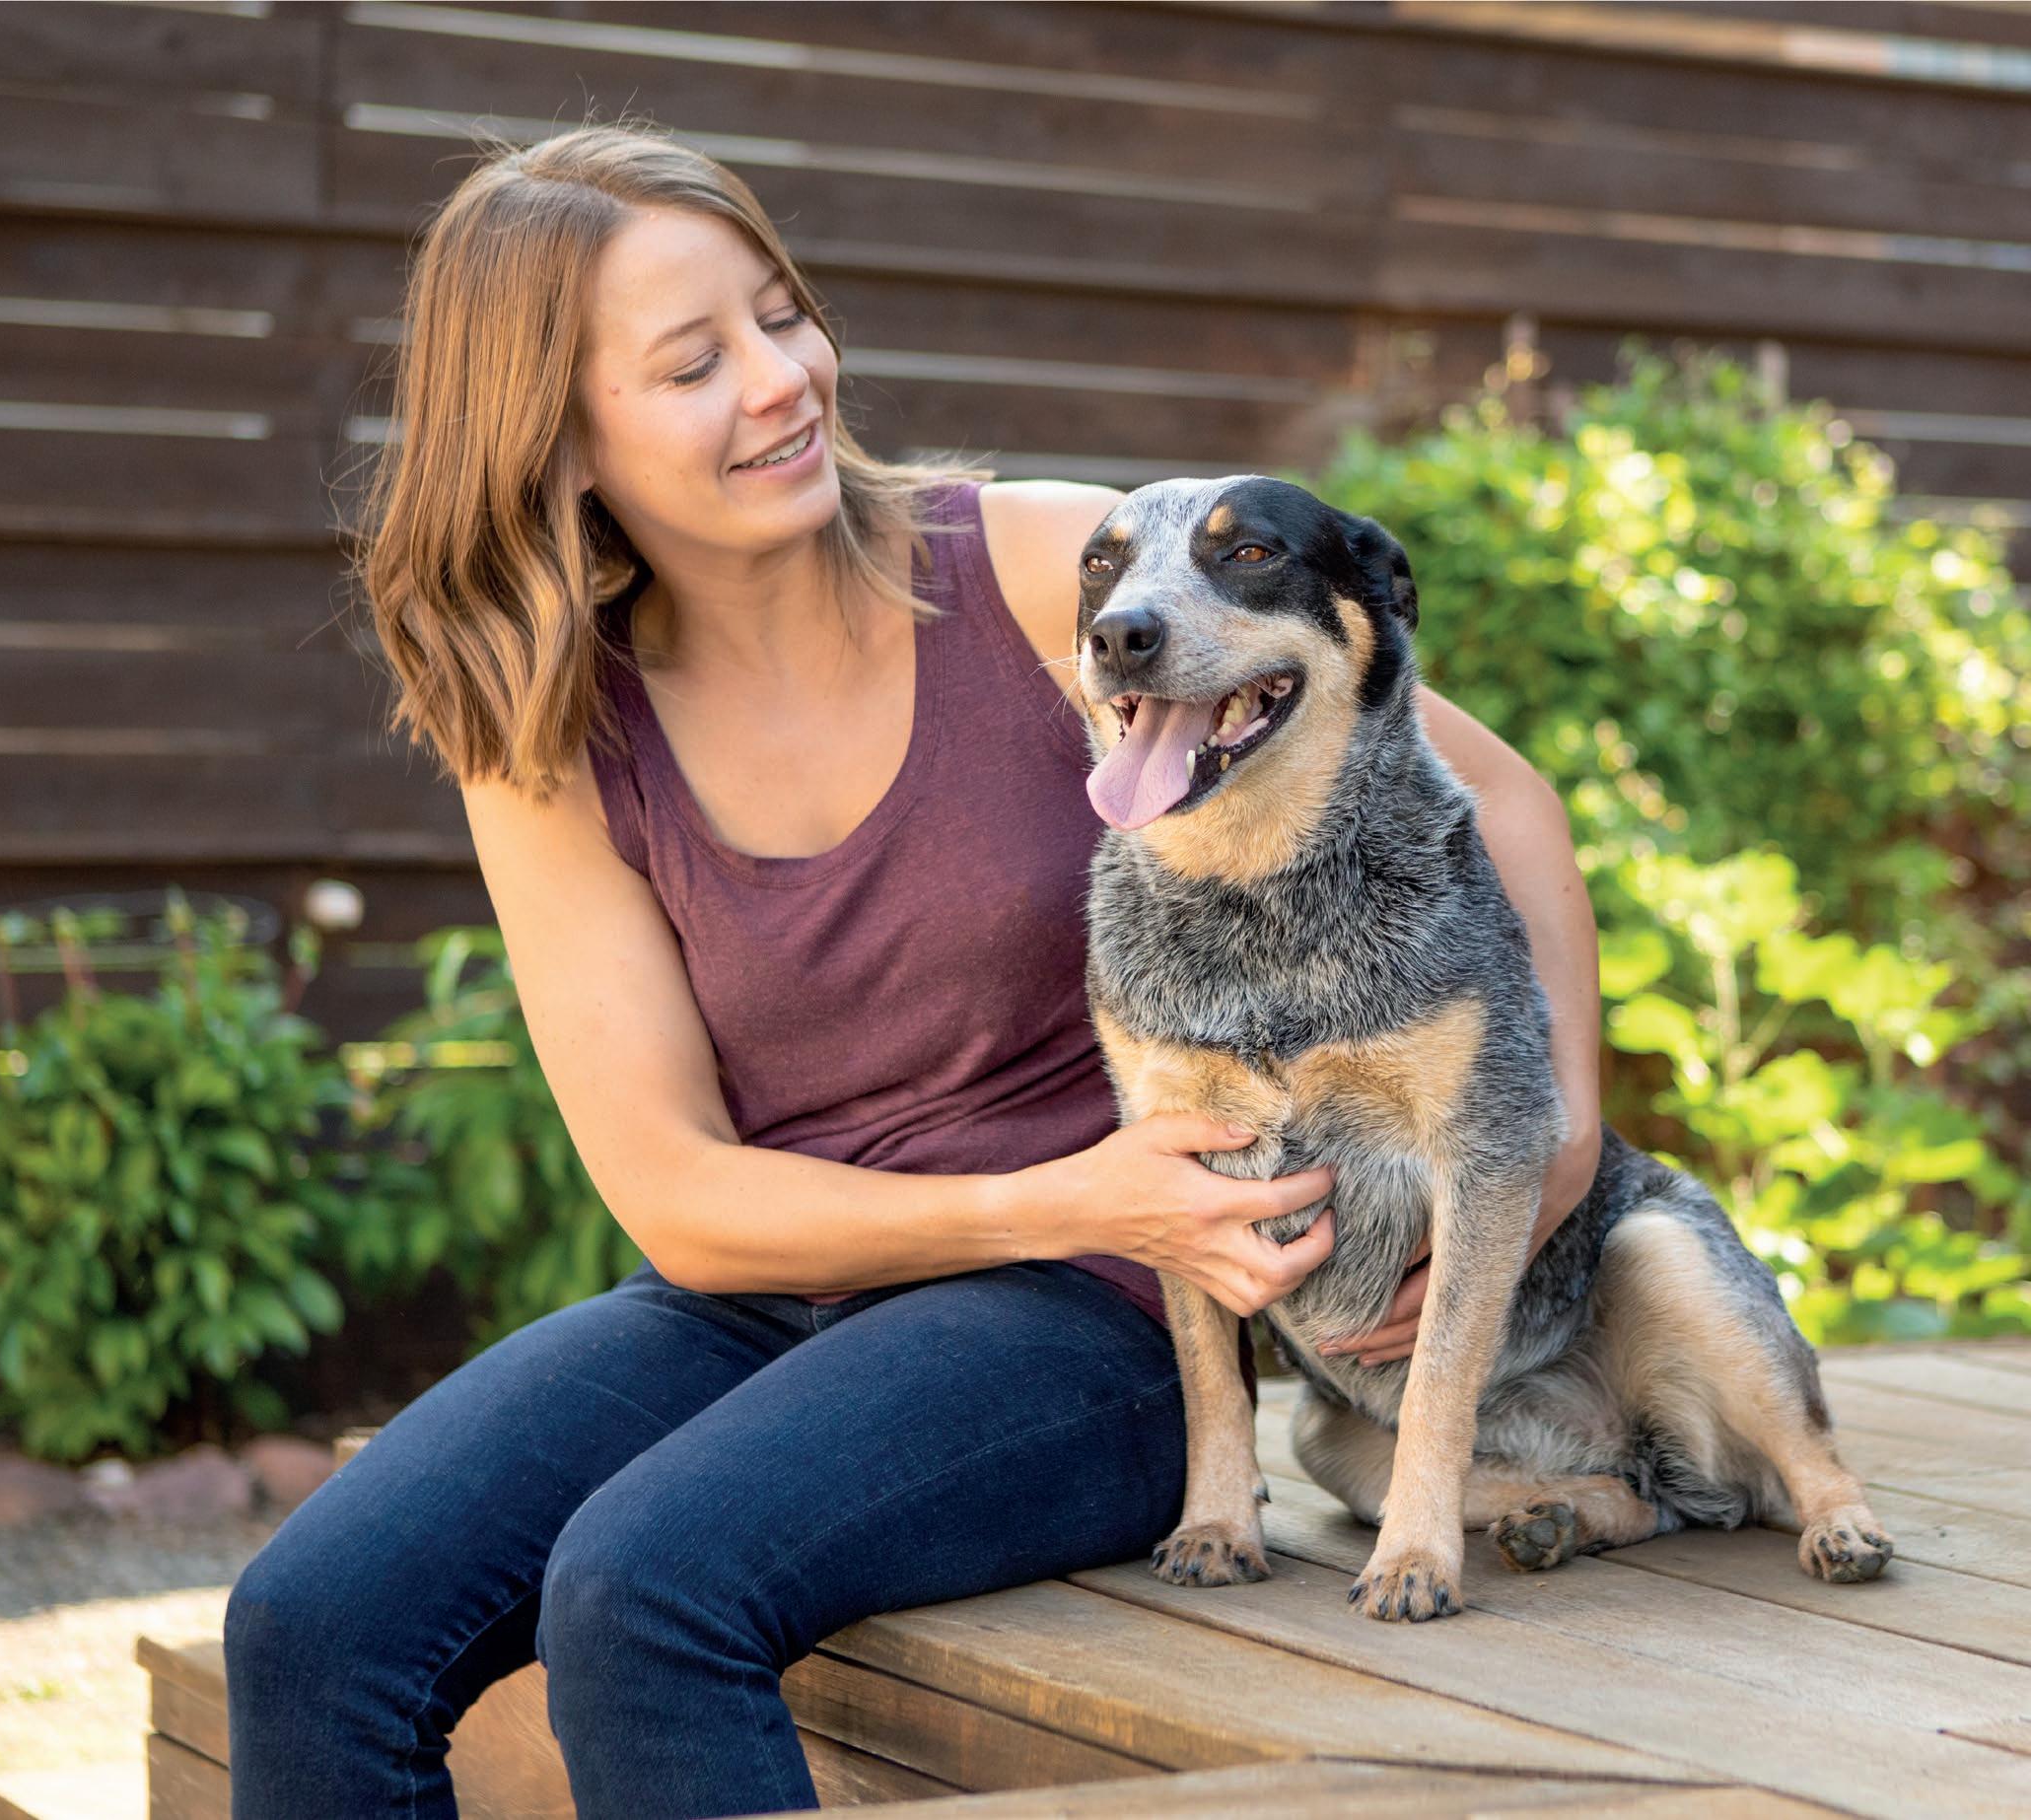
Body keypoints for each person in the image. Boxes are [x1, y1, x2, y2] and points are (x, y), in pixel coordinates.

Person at [222, 118, 1602, 1819]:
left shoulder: (1039, 572)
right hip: (779, 1292)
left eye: (778, 314)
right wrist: (1063, 1190)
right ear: (560, 441)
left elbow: (1503, 804)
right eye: (691, 363)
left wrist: (1556, 1138)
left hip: (1101, 1314)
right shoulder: (551, 728)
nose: (780, 379)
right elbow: (682, 1198)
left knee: (642, 1596)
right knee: (308, 1626)